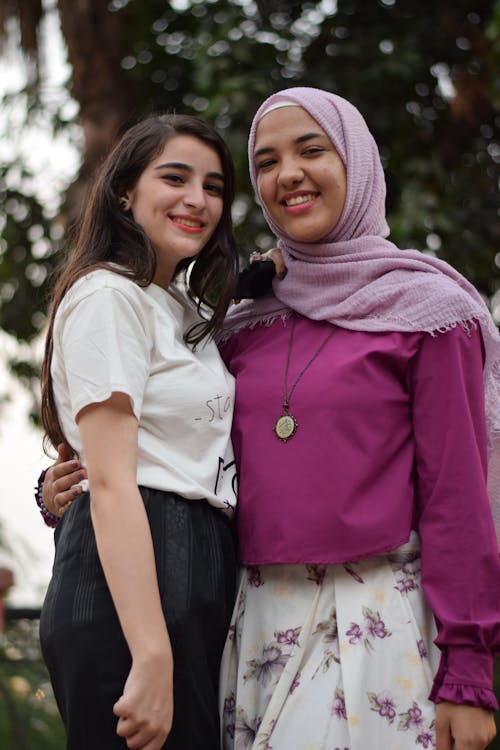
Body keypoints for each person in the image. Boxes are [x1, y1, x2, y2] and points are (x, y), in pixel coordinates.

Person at [40, 88, 500, 750]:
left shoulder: (425, 311)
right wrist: (59, 489)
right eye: (265, 162)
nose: (288, 174)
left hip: (371, 616)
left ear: (359, 164)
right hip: (243, 622)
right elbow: (160, 444)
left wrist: (467, 673)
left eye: (312, 150)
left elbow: (457, 499)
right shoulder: (238, 322)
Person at [37, 113, 239, 750]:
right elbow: (112, 482)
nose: (196, 200)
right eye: (174, 178)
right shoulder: (108, 296)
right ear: (124, 192)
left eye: (213, 186)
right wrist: (151, 655)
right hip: (135, 586)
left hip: (196, 571)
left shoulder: (187, 309)